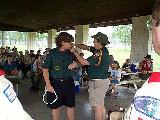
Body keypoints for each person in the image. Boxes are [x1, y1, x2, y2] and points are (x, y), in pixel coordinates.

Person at [70, 32, 110, 120]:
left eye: (95, 41)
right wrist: (75, 44)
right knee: (100, 105)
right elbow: (86, 47)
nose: (93, 43)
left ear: (100, 43)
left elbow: (84, 62)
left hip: (98, 82)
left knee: (96, 108)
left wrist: (74, 51)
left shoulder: (99, 53)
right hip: (101, 81)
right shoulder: (100, 49)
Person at [42, 32, 78, 120]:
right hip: (55, 83)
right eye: (69, 42)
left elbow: (82, 61)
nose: (71, 44)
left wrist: (76, 63)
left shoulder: (71, 52)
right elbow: (45, 69)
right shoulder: (51, 53)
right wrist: (48, 85)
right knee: (55, 108)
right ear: (62, 42)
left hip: (68, 82)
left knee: (71, 106)